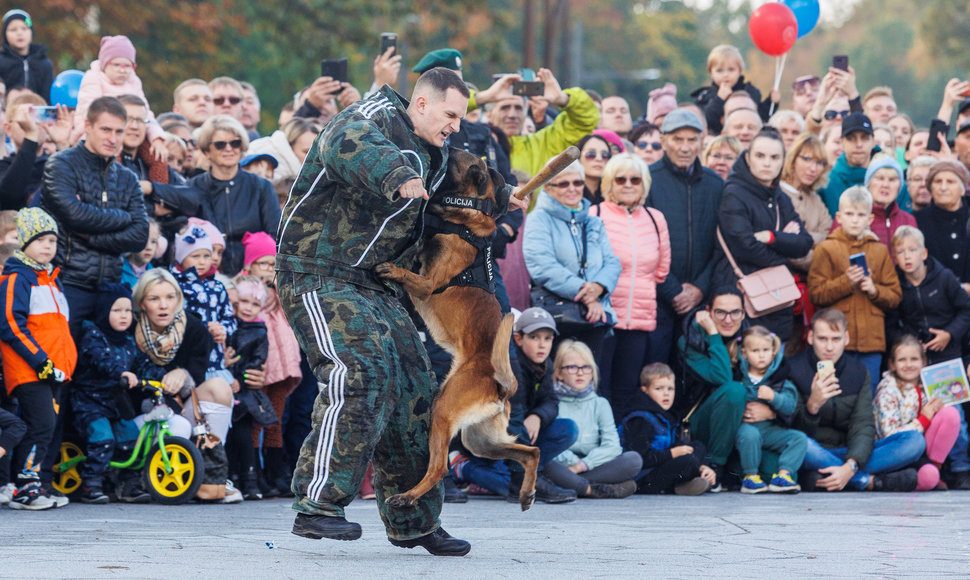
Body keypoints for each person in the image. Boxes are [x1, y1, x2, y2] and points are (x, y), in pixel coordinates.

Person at [275, 68, 521, 555]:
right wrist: (398, 175)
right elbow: (349, 143)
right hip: (318, 271)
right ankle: (318, 504)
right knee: (361, 369)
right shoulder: (372, 117)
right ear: (422, 103)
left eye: (461, 118)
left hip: (379, 282)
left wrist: (506, 197)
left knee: (414, 387)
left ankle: (414, 519)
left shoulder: (441, 152)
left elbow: (462, 191)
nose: (455, 125)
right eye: (450, 114)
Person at [40, 96, 149, 338]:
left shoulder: (128, 177)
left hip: (110, 288)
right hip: (67, 283)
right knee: (64, 367)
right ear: (87, 126)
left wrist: (92, 237)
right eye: (106, 129)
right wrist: (123, 217)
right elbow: (75, 216)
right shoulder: (61, 165)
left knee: (104, 370)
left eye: (118, 131)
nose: (113, 138)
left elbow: (140, 235)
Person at [130, 268, 239, 502]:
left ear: (178, 299)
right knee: (176, 424)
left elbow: (197, 379)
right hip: (143, 409)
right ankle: (154, 478)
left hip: (180, 402)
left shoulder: (194, 327)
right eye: (154, 298)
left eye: (170, 297)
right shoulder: (129, 327)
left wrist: (183, 375)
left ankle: (211, 473)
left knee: (220, 386)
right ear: (141, 303)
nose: (163, 305)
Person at [791, 309, 923, 492]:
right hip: (815, 451)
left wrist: (850, 466)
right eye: (822, 339)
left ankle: (836, 477)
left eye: (836, 339)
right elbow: (791, 431)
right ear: (810, 337)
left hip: (853, 453)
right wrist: (812, 406)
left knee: (915, 441)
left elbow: (863, 424)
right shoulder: (794, 368)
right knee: (801, 445)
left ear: (846, 338)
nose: (829, 347)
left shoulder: (858, 372)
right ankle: (867, 481)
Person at [0, 208, 76, 510]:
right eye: (41, 239)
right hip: (29, 369)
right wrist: (40, 360)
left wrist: (61, 365)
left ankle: (31, 483)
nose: (48, 246)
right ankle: (25, 487)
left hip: (54, 371)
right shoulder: (18, 277)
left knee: (45, 426)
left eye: (53, 241)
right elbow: (10, 323)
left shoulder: (51, 279)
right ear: (24, 241)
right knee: (42, 423)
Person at [712, 129, 812, 340]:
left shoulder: (780, 197)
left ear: (783, 161)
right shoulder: (734, 194)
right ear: (748, 158)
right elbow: (745, 246)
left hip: (775, 298)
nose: (767, 163)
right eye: (760, 156)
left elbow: (804, 243)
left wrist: (772, 237)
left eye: (774, 157)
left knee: (773, 360)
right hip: (740, 293)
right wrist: (784, 252)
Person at [152, 114, 281, 276]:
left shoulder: (261, 186)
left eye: (235, 143)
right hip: (208, 274)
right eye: (220, 144)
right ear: (207, 150)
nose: (229, 149)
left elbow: (276, 234)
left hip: (254, 274)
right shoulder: (193, 186)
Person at [592, 153, 670, 420]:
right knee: (599, 388)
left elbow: (662, 270)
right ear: (608, 183)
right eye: (620, 178)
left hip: (639, 320)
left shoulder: (655, 218)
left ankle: (622, 450)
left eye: (634, 179)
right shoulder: (595, 214)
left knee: (627, 389)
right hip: (603, 318)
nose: (627, 184)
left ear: (644, 184)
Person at [523, 157, 621, 359]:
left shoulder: (594, 221)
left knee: (590, 379)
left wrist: (599, 287)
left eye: (577, 182)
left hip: (595, 316)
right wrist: (585, 293)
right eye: (563, 183)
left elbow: (612, 262)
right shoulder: (538, 219)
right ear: (548, 188)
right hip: (559, 317)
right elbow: (542, 266)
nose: (572, 188)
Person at [808, 186, 901, 389]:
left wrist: (875, 290)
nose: (855, 220)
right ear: (839, 217)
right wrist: (845, 282)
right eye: (849, 214)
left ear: (870, 220)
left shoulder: (879, 250)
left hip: (872, 342)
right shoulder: (826, 248)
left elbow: (895, 295)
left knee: (868, 396)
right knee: (836, 394)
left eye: (861, 215)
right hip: (836, 343)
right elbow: (815, 293)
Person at [647, 109, 724, 349]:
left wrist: (700, 288)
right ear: (663, 141)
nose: (685, 147)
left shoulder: (715, 184)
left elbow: (721, 244)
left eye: (692, 140)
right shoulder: (648, 180)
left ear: (702, 142)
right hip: (658, 299)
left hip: (702, 300)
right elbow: (645, 243)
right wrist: (673, 290)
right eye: (677, 139)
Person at [69, 283, 148, 504]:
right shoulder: (92, 335)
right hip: (89, 402)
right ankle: (91, 483)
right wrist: (121, 371)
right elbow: (100, 359)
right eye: (116, 311)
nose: (124, 316)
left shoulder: (129, 341)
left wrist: (161, 377)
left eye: (127, 311)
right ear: (105, 312)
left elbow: (142, 365)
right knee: (102, 437)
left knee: (132, 436)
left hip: (115, 402)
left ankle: (128, 483)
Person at [240, 232, 301, 498]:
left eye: (271, 263)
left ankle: (276, 473)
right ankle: (254, 472)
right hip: (260, 366)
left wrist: (278, 283)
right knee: (256, 419)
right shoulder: (247, 290)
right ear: (249, 266)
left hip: (282, 367)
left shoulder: (279, 290)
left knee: (275, 419)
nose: (267, 269)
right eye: (261, 264)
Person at [543, 340, 641, 499]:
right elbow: (549, 446)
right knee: (544, 462)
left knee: (633, 460)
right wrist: (573, 463)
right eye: (572, 367)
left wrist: (582, 465)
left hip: (592, 465)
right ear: (559, 373)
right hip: (562, 465)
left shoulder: (600, 404)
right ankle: (593, 489)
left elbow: (613, 446)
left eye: (586, 367)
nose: (580, 373)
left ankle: (571, 485)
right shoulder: (551, 403)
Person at [506, 308, 580, 504]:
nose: (542, 345)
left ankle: (529, 474)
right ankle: (525, 478)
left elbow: (551, 401)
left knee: (568, 429)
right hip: (503, 443)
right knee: (497, 480)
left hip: (526, 435)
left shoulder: (545, 364)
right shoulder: (511, 364)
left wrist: (537, 416)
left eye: (547, 338)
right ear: (518, 339)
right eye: (534, 337)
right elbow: (511, 414)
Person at [676, 288, 748, 485]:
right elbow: (722, 377)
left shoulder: (749, 337)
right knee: (734, 391)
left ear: (743, 312)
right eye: (720, 312)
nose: (728, 319)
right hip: (702, 423)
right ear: (708, 312)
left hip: (743, 422)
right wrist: (713, 333)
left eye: (735, 312)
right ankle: (715, 466)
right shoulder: (690, 340)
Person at [472, 67, 599, 178]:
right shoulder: (473, 141)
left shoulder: (543, 143)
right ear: (489, 114)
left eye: (518, 108)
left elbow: (585, 121)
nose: (512, 115)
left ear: (525, 112)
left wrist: (563, 99)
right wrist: (483, 97)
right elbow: (453, 113)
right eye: (505, 107)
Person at [874, 335, 960, 491]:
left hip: (921, 452)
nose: (908, 365)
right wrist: (923, 420)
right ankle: (899, 479)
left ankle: (934, 467)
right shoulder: (887, 391)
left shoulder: (929, 384)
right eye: (902, 360)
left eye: (914, 359)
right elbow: (889, 436)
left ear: (924, 362)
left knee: (950, 413)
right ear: (892, 364)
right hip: (896, 452)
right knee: (926, 477)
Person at [620, 362, 717, 495]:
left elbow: (680, 445)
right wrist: (672, 454)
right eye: (659, 389)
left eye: (670, 389)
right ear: (645, 390)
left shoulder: (666, 416)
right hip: (642, 478)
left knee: (697, 446)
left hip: (661, 467)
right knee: (688, 461)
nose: (666, 394)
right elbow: (639, 459)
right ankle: (679, 485)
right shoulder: (641, 419)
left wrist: (703, 465)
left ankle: (693, 480)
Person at [733, 326, 806, 494]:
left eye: (766, 350)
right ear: (744, 353)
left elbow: (790, 406)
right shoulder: (738, 375)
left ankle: (783, 476)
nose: (761, 355)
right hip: (745, 428)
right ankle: (750, 476)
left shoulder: (778, 377)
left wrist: (774, 397)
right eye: (755, 350)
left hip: (769, 430)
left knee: (799, 438)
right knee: (750, 435)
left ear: (773, 352)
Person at [69, 36, 165, 160]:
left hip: (128, 130)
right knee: (111, 152)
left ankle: (158, 177)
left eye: (128, 66)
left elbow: (145, 113)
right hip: (101, 130)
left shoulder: (134, 82)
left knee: (154, 152)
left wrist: (157, 137)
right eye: (117, 65)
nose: (122, 70)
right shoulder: (94, 78)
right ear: (105, 64)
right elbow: (88, 110)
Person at [168, 224, 236, 381]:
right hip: (187, 358)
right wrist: (204, 329)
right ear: (181, 257)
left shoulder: (217, 286)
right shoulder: (175, 285)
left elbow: (229, 318)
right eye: (195, 256)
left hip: (215, 361)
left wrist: (223, 330)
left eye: (206, 256)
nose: (202, 262)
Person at [225, 274, 269, 501]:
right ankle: (232, 474)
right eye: (244, 301)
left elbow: (256, 362)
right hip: (226, 386)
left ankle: (250, 478)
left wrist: (240, 381)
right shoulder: (230, 325)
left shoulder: (259, 331)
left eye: (255, 304)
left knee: (244, 434)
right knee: (228, 435)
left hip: (244, 391)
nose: (248, 308)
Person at [690, 44, 777, 135]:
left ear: (740, 71)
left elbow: (762, 116)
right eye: (720, 70)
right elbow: (705, 120)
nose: (725, 75)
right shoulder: (705, 95)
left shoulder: (750, 92)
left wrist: (772, 102)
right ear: (710, 72)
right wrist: (719, 100)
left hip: (745, 137)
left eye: (731, 70)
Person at [914, 160, 970, 291]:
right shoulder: (917, 220)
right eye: (938, 182)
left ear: (962, 190)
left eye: (950, 182)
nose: (943, 187)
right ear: (930, 188)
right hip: (934, 304)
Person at [780, 133, 832, 272]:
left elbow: (829, 235)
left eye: (819, 163)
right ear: (793, 159)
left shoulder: (815, 199)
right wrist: (825, 259)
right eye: (807, 159)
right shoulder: (777, 194)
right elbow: (785, 247)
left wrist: (803, 238)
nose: (813, 168)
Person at [246, 117, 323, 194]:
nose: (316, 158)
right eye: (307, 152)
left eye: (319, 153)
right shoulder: (273, 170)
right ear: (289, 147)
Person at [819, 113, 875, 217]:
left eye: (864, 138)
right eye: (851, 138)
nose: (859, 144)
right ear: (842, 143)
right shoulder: (826, 184)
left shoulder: (888, 180)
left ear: (873, 142)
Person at [0, 10, 53, 103]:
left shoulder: (45, 64)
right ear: (5, 34)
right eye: (13, 30)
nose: (19, 33)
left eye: (24, 28)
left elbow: (47, 97)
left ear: (31, 32)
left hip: (37, 114)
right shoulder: (1, 61)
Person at [121, 218, 160, 289]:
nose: (149, 247)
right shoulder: (117, 269)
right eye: (143, 241)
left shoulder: (156, 275)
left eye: (153, 241)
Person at [577, 134, 611, 204]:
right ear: (578, 158)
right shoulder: (568, 190)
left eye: (605, 155)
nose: (599, 159)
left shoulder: (614, 194)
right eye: (591, 154)